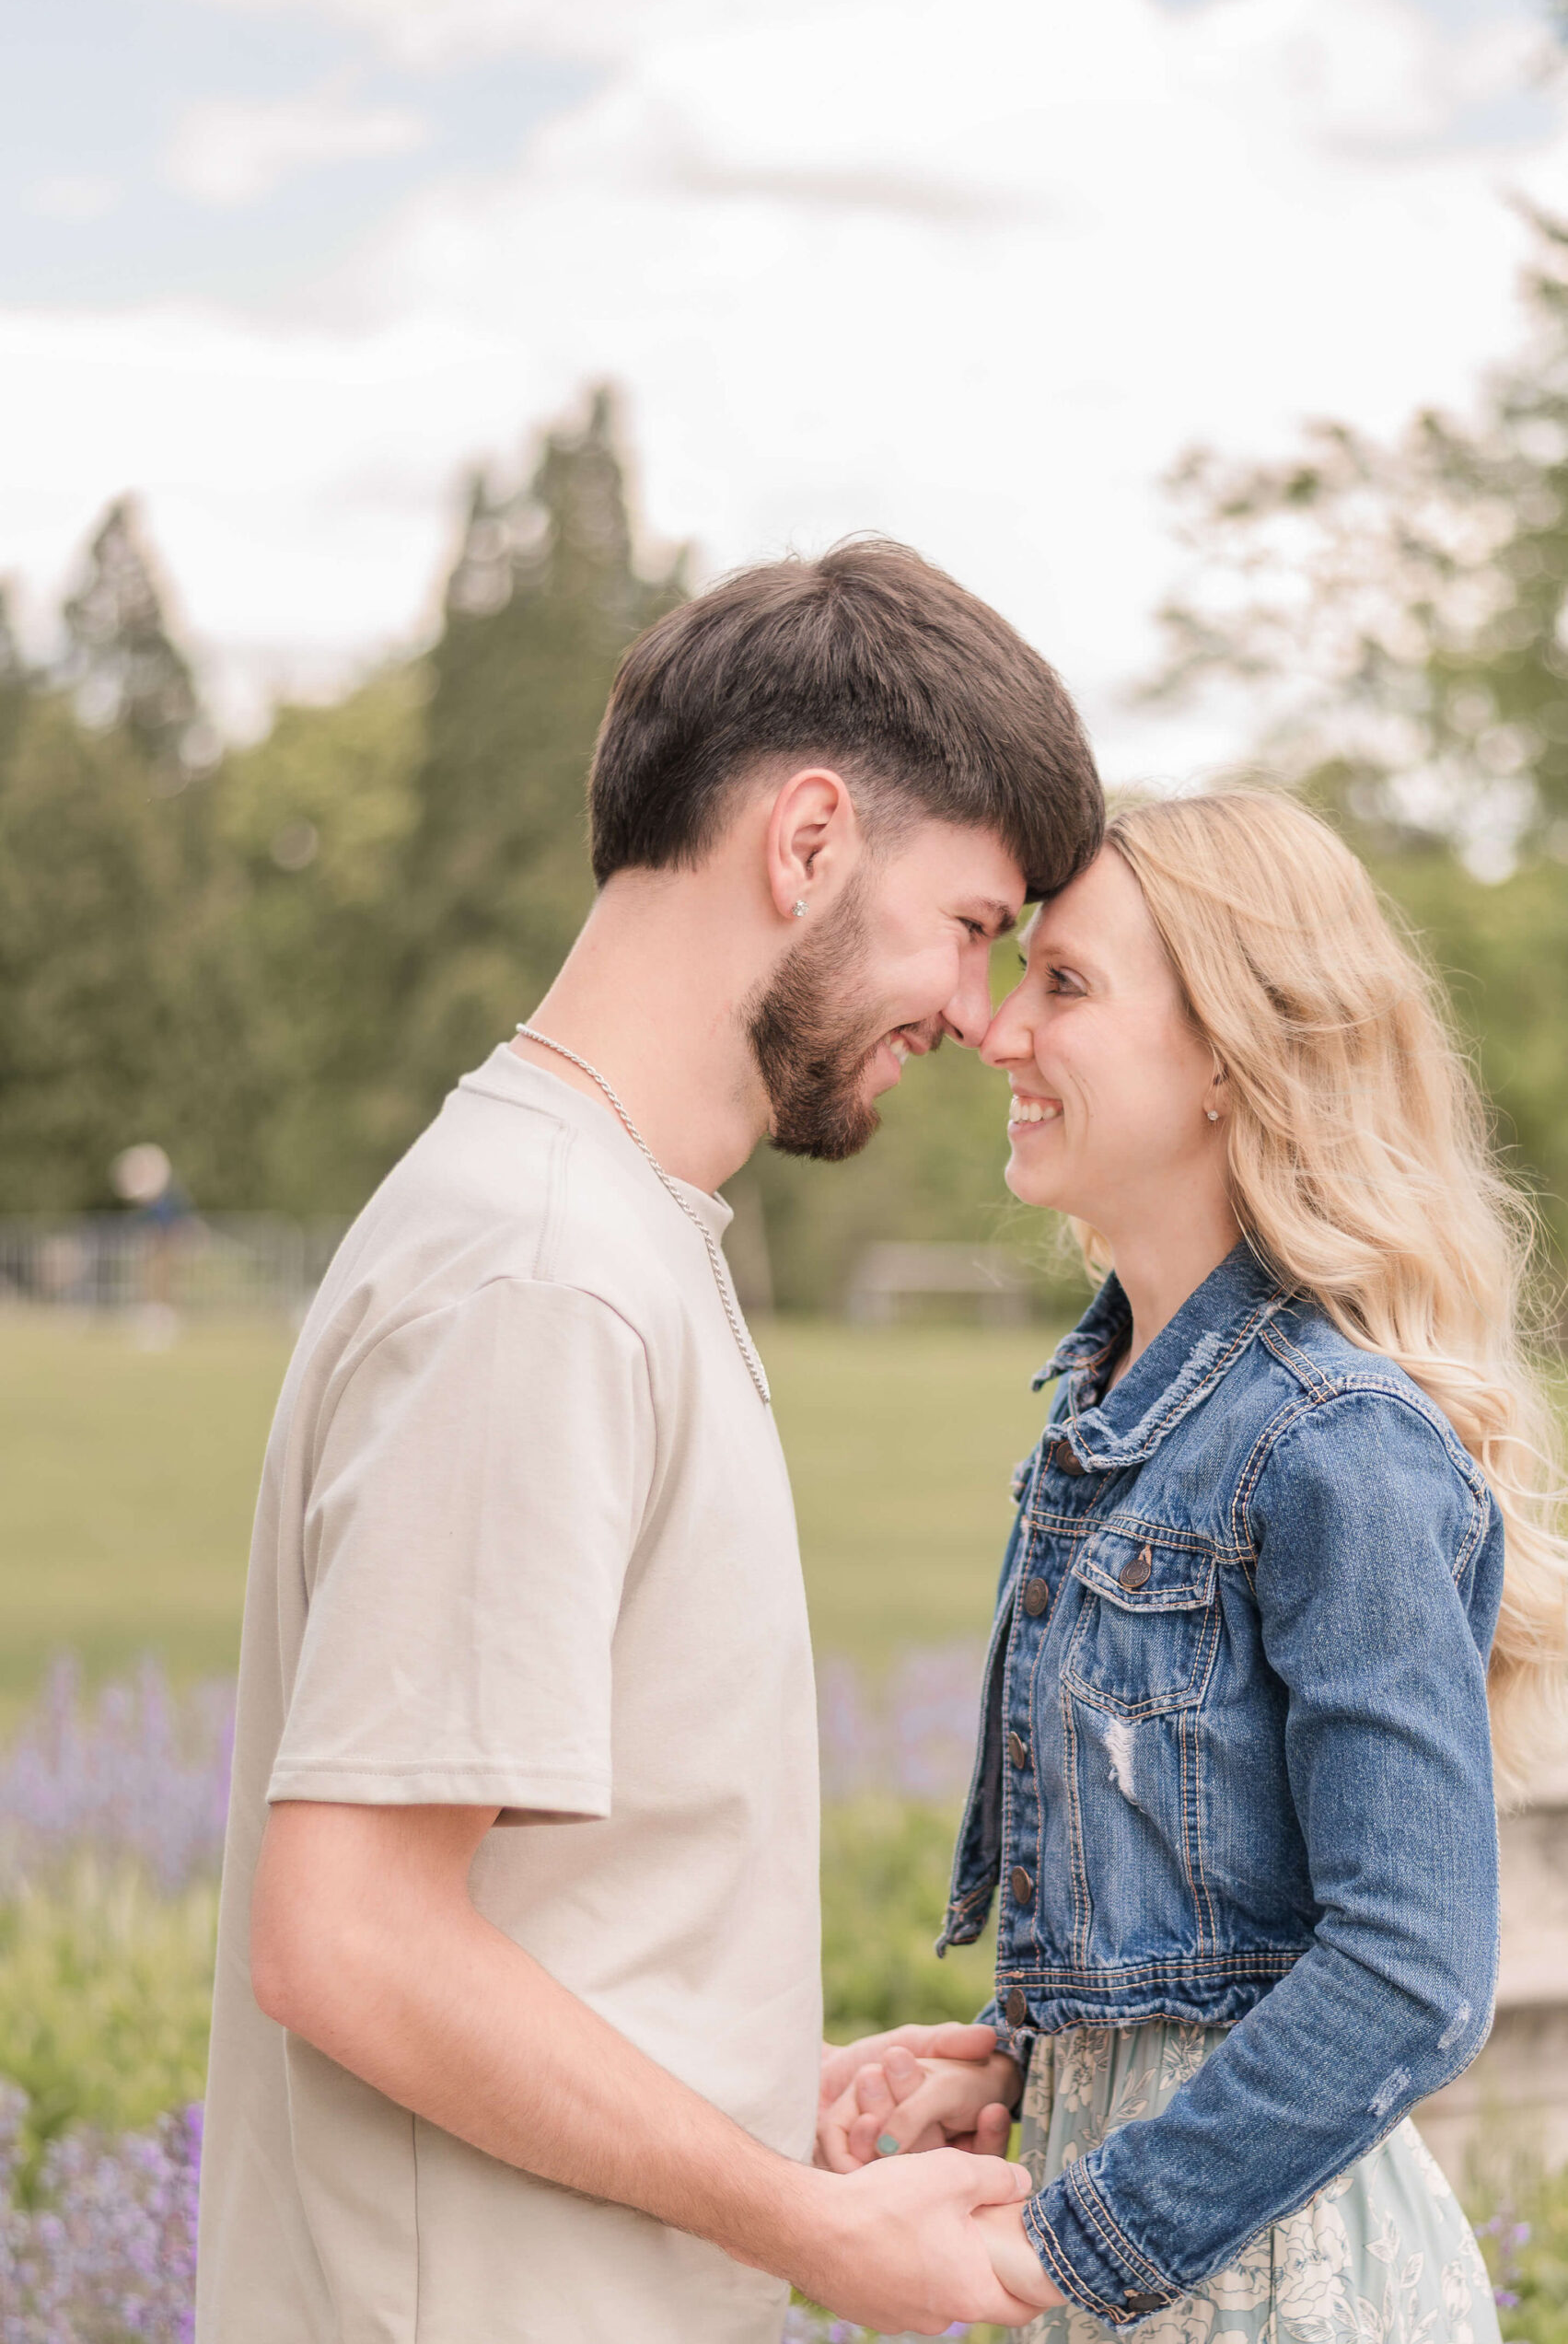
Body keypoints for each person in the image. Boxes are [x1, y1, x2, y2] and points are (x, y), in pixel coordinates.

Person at [195, 540, 1104, 2344]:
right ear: (811, 839)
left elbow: (523, 1909)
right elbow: (352, 1934)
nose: (975, 1009)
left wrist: (766, 2087)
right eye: (975, 926)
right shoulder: (547, 1270)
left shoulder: (600, 1233)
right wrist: (813, 2226)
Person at [819, 789, 1568, 2337]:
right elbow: (1216, 1911)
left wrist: (1051, 2249)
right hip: (1138, 2271)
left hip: (1279, 2297)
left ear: (1229, 1055)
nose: (999, 1031)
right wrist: (1024, 2056)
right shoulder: (1111, 1419)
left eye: (1067, 985)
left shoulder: (1333, 1443)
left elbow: (1409, 1972)